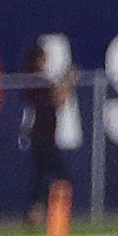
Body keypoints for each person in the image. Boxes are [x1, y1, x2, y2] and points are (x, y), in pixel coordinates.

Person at [21, 32, 80, 225]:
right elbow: (58, 100)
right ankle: (48, 213)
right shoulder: (36, 82)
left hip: (44, 135)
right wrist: (68, 81)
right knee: (59, 175)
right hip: (41, 136)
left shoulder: (38, 82)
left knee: (40, 177)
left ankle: (36, 213)